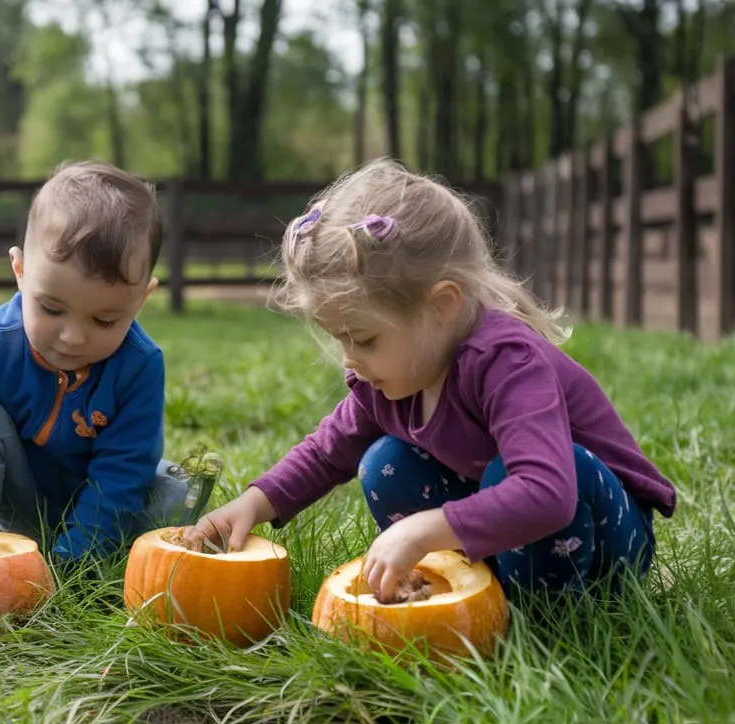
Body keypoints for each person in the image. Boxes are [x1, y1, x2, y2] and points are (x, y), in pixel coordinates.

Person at [184, 158, 676, 603]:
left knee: (517, 476)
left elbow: (547, 491)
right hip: (515, 525)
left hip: (607, 543)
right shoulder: (394, 377)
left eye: (366, 339)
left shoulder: (506, 360)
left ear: (442, 306)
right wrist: (254, 502)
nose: (350, 361)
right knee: (383, 463)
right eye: (341, 339)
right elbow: (329, 450)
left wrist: (426, 530)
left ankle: (544, 621)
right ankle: (471, 592)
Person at [0, 160, 220, 564]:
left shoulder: (138, 366)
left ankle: (112, 558)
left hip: (106, 512)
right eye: (51, 308)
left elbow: (120, 479)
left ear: (142, 299)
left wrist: (66, 568)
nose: (73, 337)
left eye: (105, 320)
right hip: (22, 499)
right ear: (20, 271)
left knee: (172, 494)